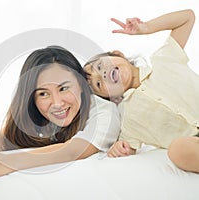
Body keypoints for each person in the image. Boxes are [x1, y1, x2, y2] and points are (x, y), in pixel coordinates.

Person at [0, 46, 120, 176]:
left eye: (64, 88)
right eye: (44, 94)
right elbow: (5, 139)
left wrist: (10, 163)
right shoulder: (38, 115)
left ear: (81, 84)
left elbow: (73, 151)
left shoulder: (106, 113)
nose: (57, 103)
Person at [83, 9, 199, 173]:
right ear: (109, 96)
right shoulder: (127, 120)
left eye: (101, 66)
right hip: (194, 144)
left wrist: (146, 28)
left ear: (117, 54)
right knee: (178, 150)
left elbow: (187, 17)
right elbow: (128, 148)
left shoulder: (164, 58)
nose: (102, 74)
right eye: (99, 84)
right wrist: (119, 149)